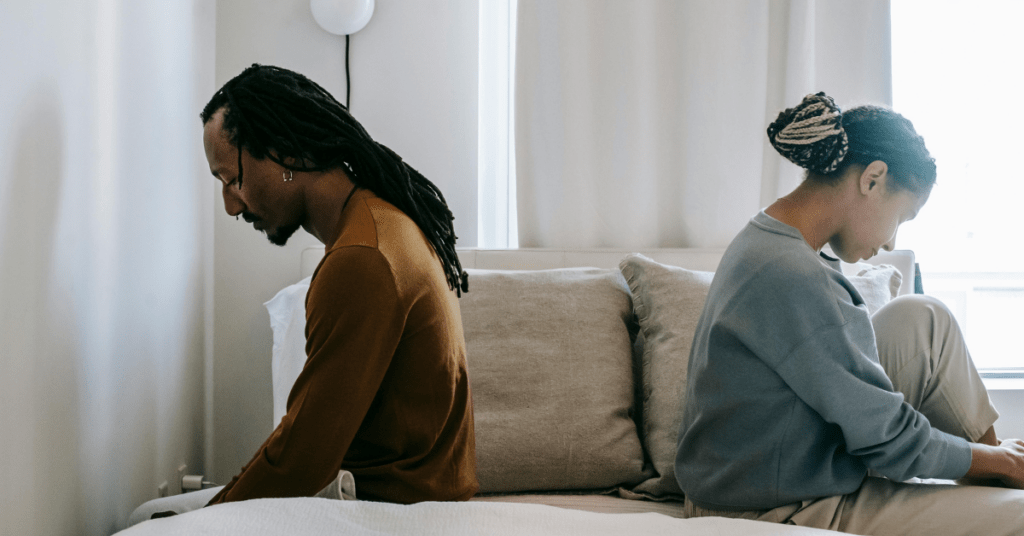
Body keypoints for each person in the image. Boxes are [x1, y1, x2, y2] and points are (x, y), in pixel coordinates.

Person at [129, 64, 477, 525]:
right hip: (410, 496)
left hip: (385, 512)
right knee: (149, 513)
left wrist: (209, 519)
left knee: (147, 521)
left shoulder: (361, 260)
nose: (231, 206)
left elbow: (301, 461)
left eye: (232, 180)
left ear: (284, 152)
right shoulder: (384, 222)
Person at [674, 92, 1024, 535]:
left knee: (924, 318)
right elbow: (891, 441)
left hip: (770, 465)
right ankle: (1005, 471)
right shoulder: (794, 275)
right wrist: (997, 459)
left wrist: (994, 458)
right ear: (872, 179)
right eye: (903, 217)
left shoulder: (770, 236)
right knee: (1018, 517)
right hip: (768, 506)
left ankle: (1003, 469)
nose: (894, 244)